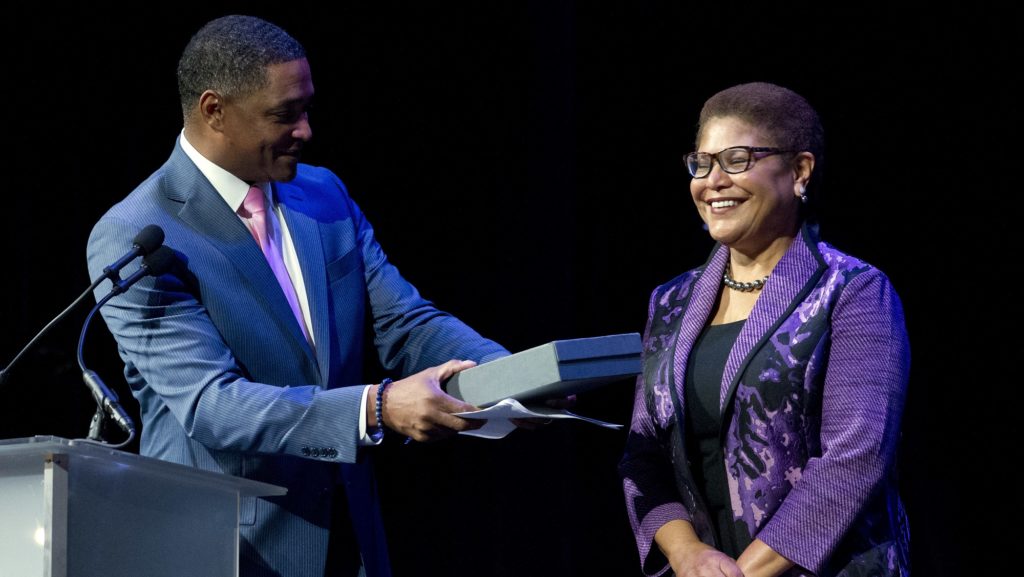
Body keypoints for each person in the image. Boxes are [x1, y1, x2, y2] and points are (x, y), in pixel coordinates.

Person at [86, 14, 514, 577]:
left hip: (352, 540)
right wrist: (378, 407)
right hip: (227, 550)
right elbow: (212, 405)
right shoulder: (138, 232)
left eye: (306, 108)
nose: (306, 130)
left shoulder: (324, 193)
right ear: (214, 111)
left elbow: (404, 322)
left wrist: (511, 374)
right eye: (285, 114)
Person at [619, 82, 911, 577]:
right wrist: (688, 555)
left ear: (800, 170)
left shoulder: (853, 291)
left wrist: (743, 573)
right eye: (702, 162)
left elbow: (854, 459)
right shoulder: (670, 302)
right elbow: (644, 452)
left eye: (736, 159)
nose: (712, 180)